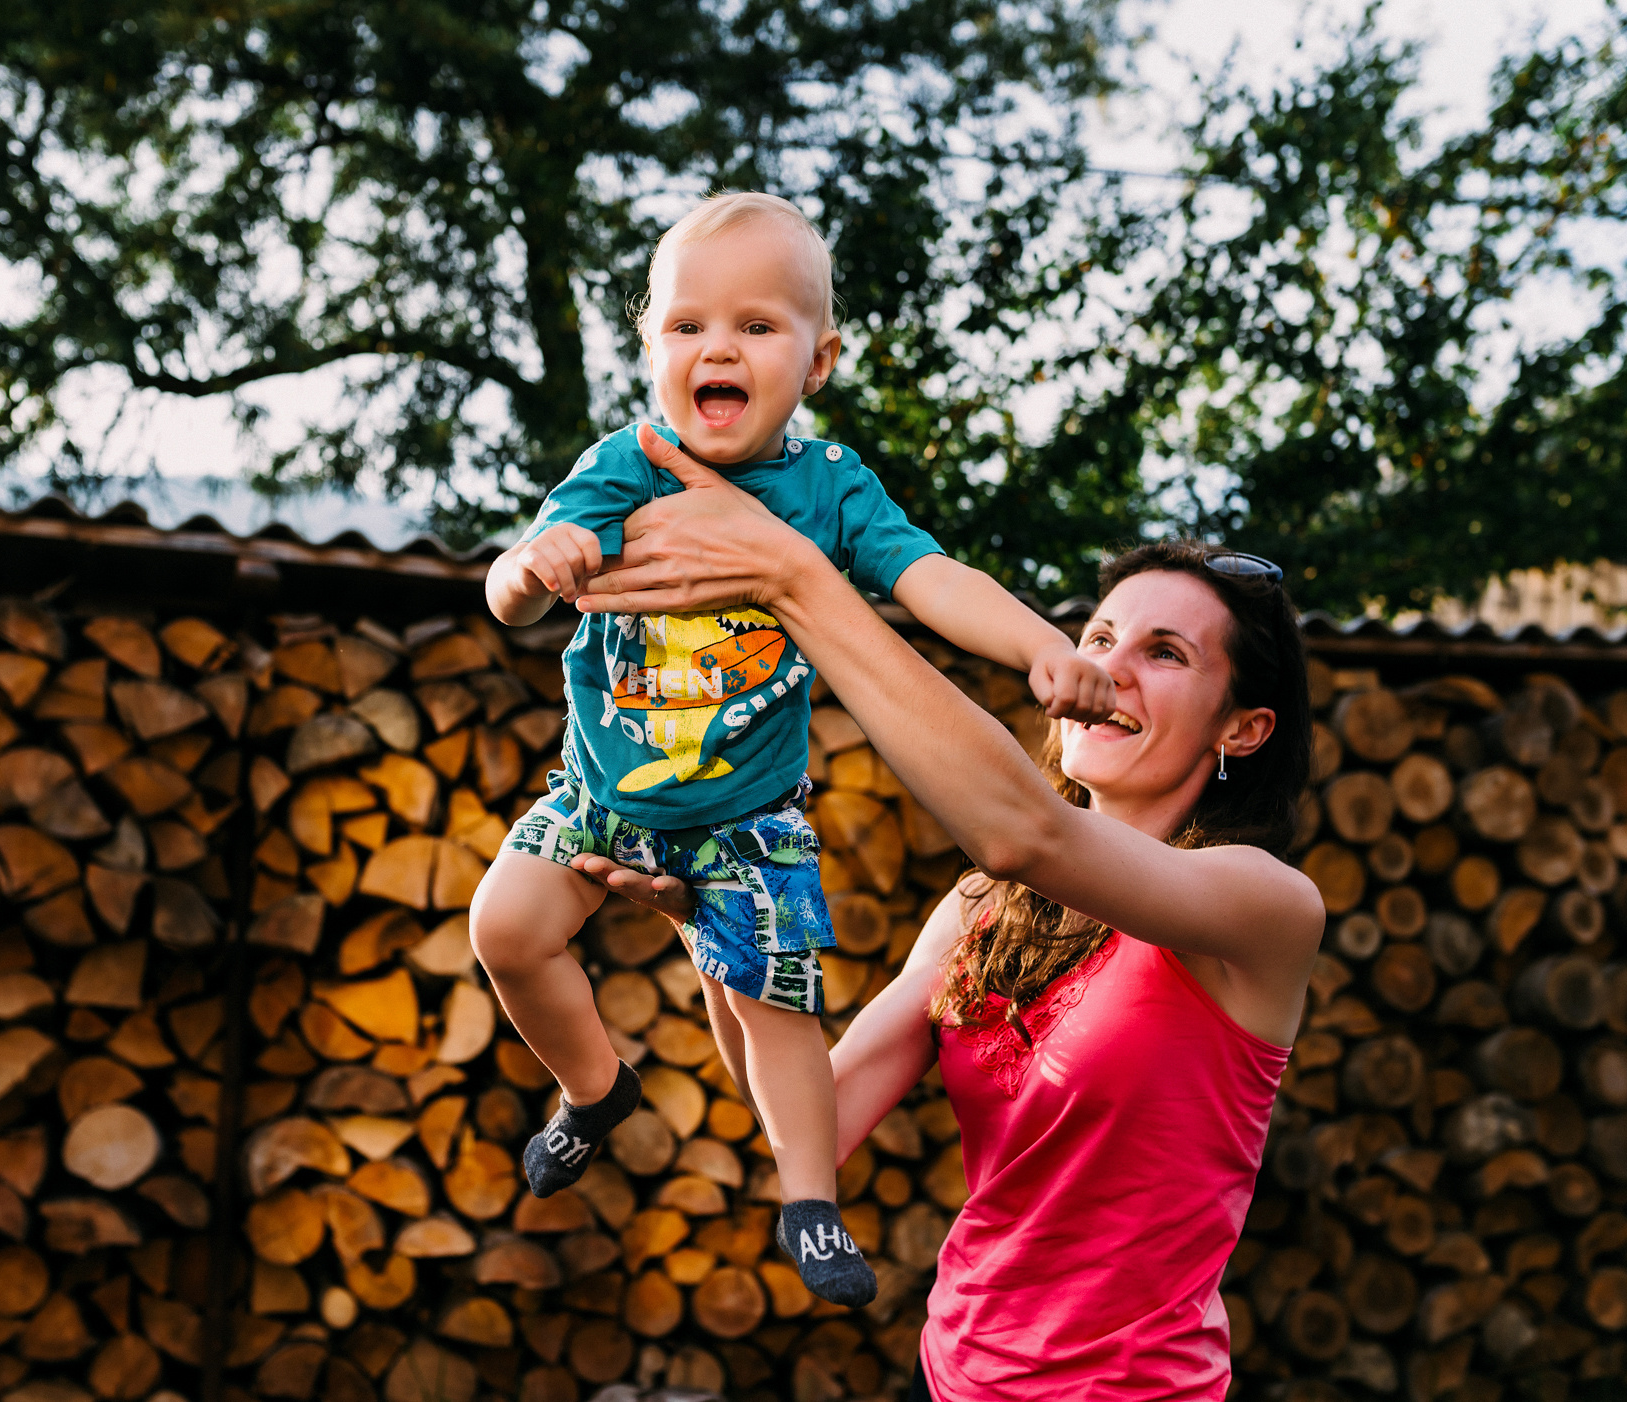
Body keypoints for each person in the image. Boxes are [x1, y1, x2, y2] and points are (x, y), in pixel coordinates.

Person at [565, 429, 1324, 1399]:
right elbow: (812, 1119)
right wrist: (713, 923)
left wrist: (799, 580)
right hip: (951, 1374)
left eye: (1165, 652)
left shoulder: (1259, 904)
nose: (1113, 666)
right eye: (1098, 637)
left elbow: (1026, 832)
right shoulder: (981, 909)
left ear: (1243, 728)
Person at [470, 192, 1116, 1306]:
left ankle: (810, 1199)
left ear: (817, 363)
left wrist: (1040, 648)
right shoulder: (626, 466)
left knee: (780, 1003)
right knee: (505, 927)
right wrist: (537, 565)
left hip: (744, 814)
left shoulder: (830, 490)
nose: (718, 347)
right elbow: (505, 595)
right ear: (651, 349)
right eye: (687, 327)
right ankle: (593, 1089)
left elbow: (932, 578)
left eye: (757, 327)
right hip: (601, 791)